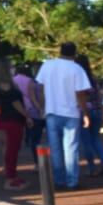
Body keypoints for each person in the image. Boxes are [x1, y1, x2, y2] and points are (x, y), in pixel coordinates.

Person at [35, 42, 93, 191]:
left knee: (55, 148)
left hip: (52, 111)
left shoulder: (47, 65)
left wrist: (43, 106)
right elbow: (80, 93)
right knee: (71, 148)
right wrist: (85, 112)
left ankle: (58, 180)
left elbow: (39, 88)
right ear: (74, 53)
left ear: (60, 51)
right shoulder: (77, 68)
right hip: (71, 113)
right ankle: (72, 181)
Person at [0, 59, 30, 190]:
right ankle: (10, 178)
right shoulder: (9, 87)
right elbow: (16, 103)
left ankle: (11, 175)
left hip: (5, 119)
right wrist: (27, 116)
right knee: (12, 150)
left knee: (10, 149)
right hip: (14, 120)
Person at [75, 55, 103, 179]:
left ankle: (91, 167)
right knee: (96, 138)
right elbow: (100, 95)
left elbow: (79, 97)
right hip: (97, 111)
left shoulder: (78, 79)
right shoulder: (93, 79)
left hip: (84, 112)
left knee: (86, 141)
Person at [14, 63, 44, 164]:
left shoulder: (14, 80)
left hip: (22, 109)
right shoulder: (30, 81)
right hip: (35, 109)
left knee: (30, 137)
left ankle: (35, 162)